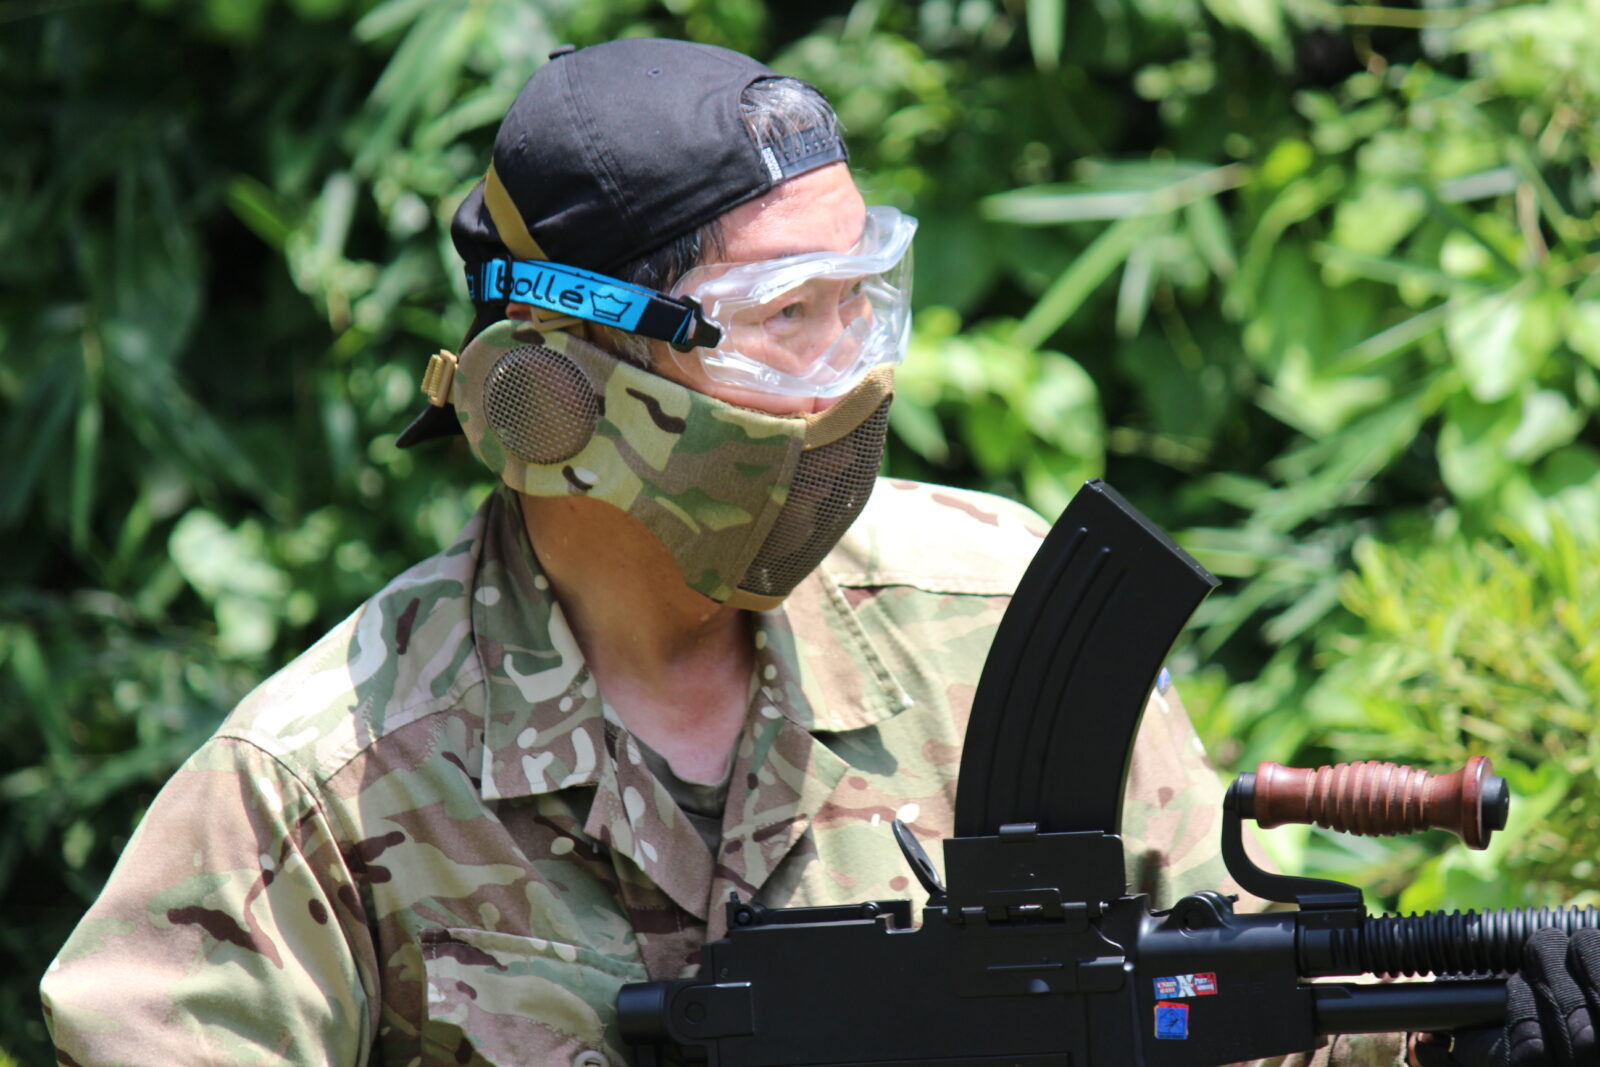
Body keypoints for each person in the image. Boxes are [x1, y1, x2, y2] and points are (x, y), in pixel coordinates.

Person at [41, 36, 1551, 1067]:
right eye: (785, 320)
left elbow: (1231, 1009)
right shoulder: (323, 779)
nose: (853, 381)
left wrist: (1453, 1029)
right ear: (559, 383)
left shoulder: (991, 620)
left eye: (861, 304)